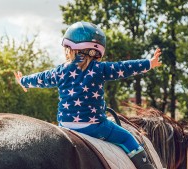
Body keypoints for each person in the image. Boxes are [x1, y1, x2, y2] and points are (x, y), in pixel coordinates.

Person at [14, 21, 161, 169]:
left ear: (69, 49)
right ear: (97, 51)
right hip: (95, 126)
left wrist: (24, 81)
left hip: (65, 125)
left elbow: (41, 78)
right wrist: (149, 63)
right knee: (127, 138)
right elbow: (124, 67)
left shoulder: (60, 71)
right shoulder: (100, 68)